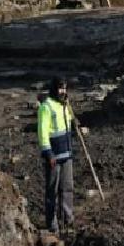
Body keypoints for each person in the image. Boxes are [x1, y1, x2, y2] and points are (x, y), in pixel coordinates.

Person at [36, 77, 76, 233]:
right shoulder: (46, 107)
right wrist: (48, 153)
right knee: (52, 191)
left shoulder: (64, 105)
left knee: (67, 188)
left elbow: (70, 122)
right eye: (60, 88)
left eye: (65, 88)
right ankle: (52, 224)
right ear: (54, 89)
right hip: (53, 156)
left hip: (67, 154)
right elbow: (42, 133)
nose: (63, 91)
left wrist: (72, 114)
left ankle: (68, 218)